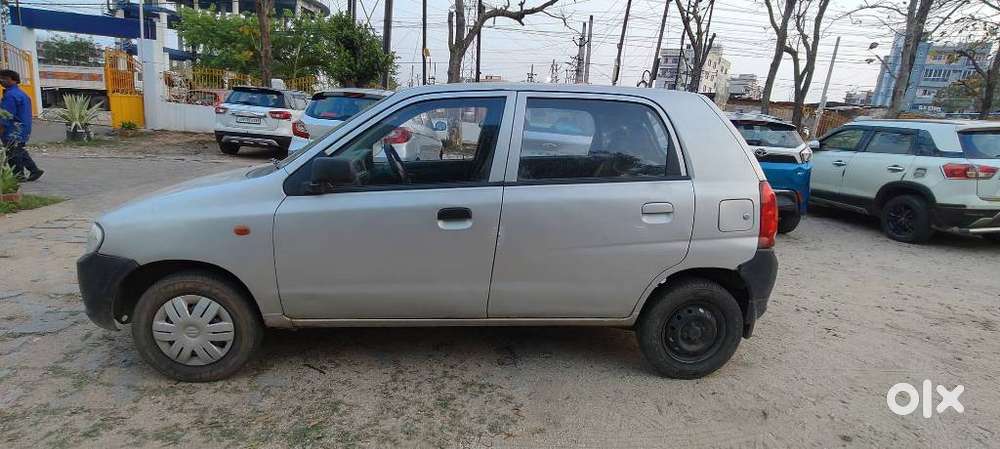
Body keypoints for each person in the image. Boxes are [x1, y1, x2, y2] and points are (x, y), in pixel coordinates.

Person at [0, 69, 42, 181]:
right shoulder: (21, 93)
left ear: (12, 80)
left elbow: (6, 116)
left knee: (12, 154)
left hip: (12, 129)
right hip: (23, 128)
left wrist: (1, 129)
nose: (1, 80)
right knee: (19, 150)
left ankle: (19, 176)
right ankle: (34, 170)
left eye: (4, 78)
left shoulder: (10, 96)